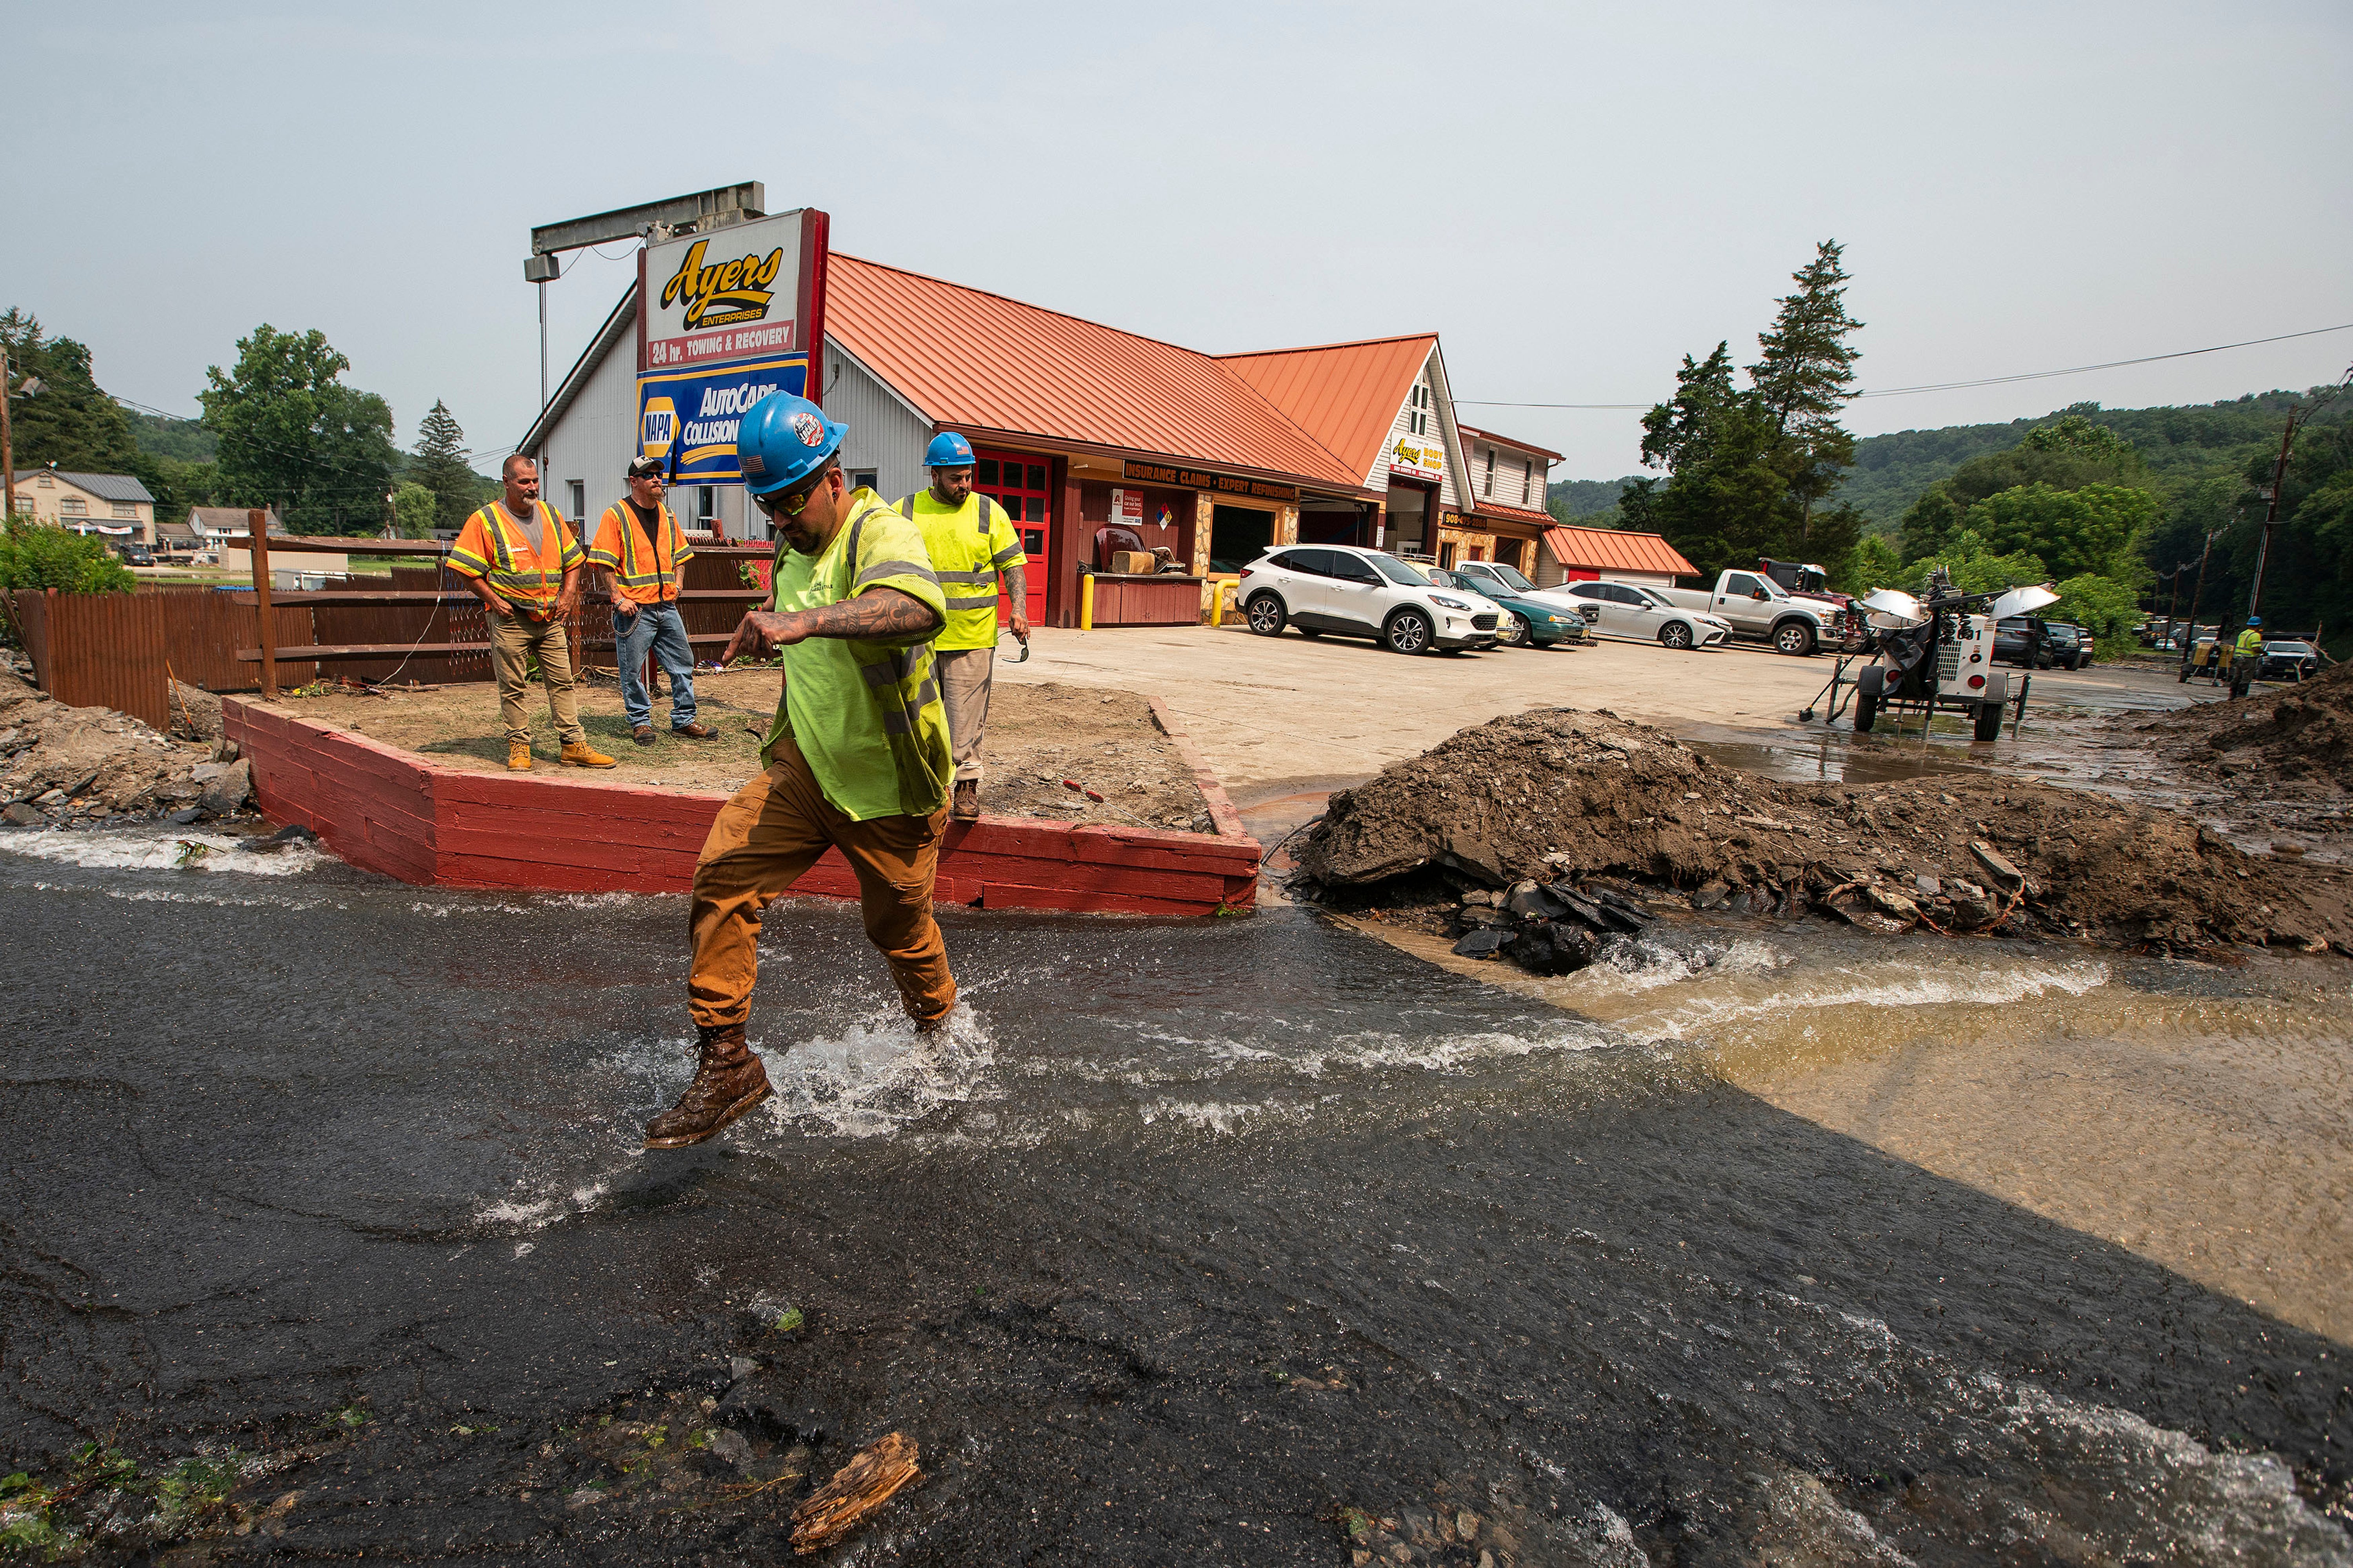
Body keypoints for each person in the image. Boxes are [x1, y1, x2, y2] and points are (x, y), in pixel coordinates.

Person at [644, 392, 956, 1150]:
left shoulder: (880, 529)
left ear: (833, 477)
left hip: (891, 789)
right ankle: (728, 1063)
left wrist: (803, 620)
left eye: (789, 502)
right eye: (767, 508)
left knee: (898, 927)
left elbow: (917, 605)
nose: (779, 521)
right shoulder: (791, 544)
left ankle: (943, 1032)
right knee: (724, 870)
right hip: (809, 770)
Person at [447, 456, 616, 772]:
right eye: (525, 482)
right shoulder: (486, 520)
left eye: (535, 481)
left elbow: (574, 560)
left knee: (563, 681)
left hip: (550, 617)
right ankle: (520, 746)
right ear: (507, 482)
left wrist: (567, 595)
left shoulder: (550, 514)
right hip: (511, 618)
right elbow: (464, 568)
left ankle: (572, 745)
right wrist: (493, 600)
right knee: (513, 685)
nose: (532, 488)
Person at [895, 433, 1028, 819]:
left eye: (969, 477)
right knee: (919, 717)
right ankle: (925, 789)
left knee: (966, 720)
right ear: (934, 475)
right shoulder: (905, 512)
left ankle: (967, 788)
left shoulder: (988, 513)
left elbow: (1013, 565)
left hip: (972, 638)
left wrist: (1018, 609)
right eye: (956, 478)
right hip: (918, 638)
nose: (965, 485)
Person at [587, 456, 716, 745]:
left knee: (683, 663)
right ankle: (640, 722)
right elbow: (603, 562)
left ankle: (684, 720)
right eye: (649, 475)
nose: (657, 479)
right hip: (635, 610)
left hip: (666, 606)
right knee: (632, 670)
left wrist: (679, 584)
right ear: (634, 481)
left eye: (658, 474)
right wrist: (618, 598)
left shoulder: (668, 515)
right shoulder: (616, 515)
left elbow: (680, 555)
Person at [2232, 615, 2266, 698]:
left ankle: (2232, 696)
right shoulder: (2255, 635)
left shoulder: (2243, 634)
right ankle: (2241, 696)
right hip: (2249, 659)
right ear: (2258, 626)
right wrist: (2264, 653)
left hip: (2238, 658)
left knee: (2237, 677)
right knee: (2246, 678)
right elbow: (2256, 649)